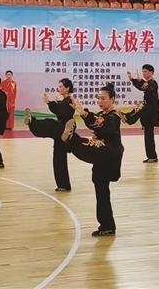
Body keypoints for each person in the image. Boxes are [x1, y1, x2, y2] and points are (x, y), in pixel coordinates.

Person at [63, 84, 124, 236]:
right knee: (101, 191)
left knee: (82, 144)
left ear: (112, 99)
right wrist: (85, 115)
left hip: (109, 155)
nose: (100, 101)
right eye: (98, 98)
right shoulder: (102, 114)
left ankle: (72, 139)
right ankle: (107, 226)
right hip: (102, 156)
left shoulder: (114, 116)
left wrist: (84, 114)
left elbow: (101, 124)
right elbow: (95, 123)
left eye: (103, 98)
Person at [25, 78, 75, 191]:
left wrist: (53, 103)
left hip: (65, 128)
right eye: (59, 86)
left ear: (67, 88)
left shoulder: (70, 100)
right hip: (61, 130)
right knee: (58, 158)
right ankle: (63, 185)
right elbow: (58, 110)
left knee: (49, 123)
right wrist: (49, 102)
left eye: (61, 86)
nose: (59, 88)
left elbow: (61, 111)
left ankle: (33, 122)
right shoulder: (65, 100)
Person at [126, 65, 159, 163]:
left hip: (150, 111)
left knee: (149, 135)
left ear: (151, 72)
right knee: (148, 135)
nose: (143, 73)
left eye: (145, 71)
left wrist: (138, 81)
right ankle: (152, 156)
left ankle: (128, 118)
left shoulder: (153, 83)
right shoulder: (148, 83)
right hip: (148, 110)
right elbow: (143, 87)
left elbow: (146, 87)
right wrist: (133, 79)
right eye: (143, 71)